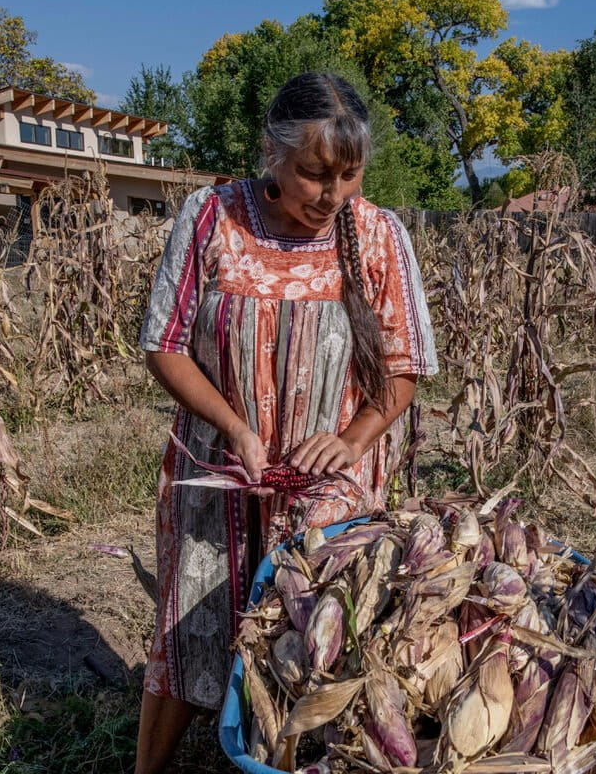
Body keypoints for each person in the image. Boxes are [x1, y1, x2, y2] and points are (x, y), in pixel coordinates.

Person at [134, 71, 438, 773]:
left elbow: (405, 367)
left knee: (323, 643)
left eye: (349, 176)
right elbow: (164, 345)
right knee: (190, 628)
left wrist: (354, 438)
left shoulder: (381, 234)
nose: (332, 196)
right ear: (269, 153)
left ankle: (291, 757)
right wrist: (236, 428)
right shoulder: (212, 217)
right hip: (217, 469)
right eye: (313, 175)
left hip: (328, 485)